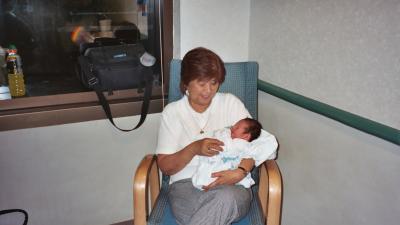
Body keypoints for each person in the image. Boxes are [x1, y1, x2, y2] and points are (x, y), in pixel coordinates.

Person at [156, 47, 278, 225]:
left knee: (225, 199)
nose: (208, 91)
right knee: (213, 211)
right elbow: (166, 167)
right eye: (201, 83)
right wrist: (194, 148)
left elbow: (258, 145)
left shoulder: (230, 103)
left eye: (213, 83)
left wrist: (240, 172)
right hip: (185, 187)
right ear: (186, 82)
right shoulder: (172, 113)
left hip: (232, 185)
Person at [192, 118, 265, 190]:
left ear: (246, 136)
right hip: (214, 160)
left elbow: (252, 154)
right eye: (234, 125)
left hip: (230, 170)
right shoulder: (225, 133)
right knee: (207, 169)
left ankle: (209, 181)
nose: (232, 127)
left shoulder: (246, 145)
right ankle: (205, 179)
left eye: (237, 127)